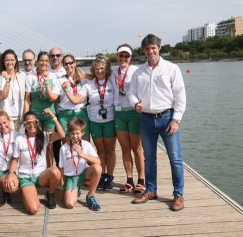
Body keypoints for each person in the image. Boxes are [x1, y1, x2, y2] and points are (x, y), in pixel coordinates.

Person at [129, 34, 186, 211]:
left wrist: (176, 119)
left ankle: (178, 195)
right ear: (144, 51)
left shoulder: (172, 68)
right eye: (147, 49)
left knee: (175, 158)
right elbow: (131, 93)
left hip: (167, 118)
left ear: (159, 47)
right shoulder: (138, 72)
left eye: (153, 48)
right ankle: (151, 190)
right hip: (146, 119)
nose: (150, 51)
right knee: (150, 158)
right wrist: (135, 104)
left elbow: (180, 96)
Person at [62, 56, 117, 191]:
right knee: (100, 151)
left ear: (107, 69)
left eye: (102, 68)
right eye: (97, 69)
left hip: (110, 120)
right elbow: (75, 99)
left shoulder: (112, 81)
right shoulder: (89, 85)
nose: (99, 71)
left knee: (110, 150)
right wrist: (66, 90)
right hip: (95, 121)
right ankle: (101, 175)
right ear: (94, 70)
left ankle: (109, 177)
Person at [9, 109, 65, 214]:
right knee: (33, 209)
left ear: (37, 122)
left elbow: (61, 135)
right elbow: (15, 159)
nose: (31, 125)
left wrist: (52, 116)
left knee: (55, 171)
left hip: (40, 176)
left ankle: (50, 193)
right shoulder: (19, 139)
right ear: (24, 125)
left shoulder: (44, 136)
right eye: (28, 123)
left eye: (34, 122)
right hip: (26, 176)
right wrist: (11, 174)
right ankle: (27, 191)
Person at [111, 44, 145, 194]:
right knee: (125, 148)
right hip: (119, 113)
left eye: (126, 56)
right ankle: (129, 180)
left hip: (133, 112)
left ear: (130, 57)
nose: (123, 58)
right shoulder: (112, 73)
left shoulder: (136, 71)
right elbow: (95, 75)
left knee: (137, 148)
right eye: (121, 55)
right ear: (117, 56)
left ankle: (141, 180)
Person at [24, 51, 61, 167]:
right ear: (37, 62)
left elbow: (52, 98)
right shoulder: (30, 77)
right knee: (36, 143)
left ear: (49, 62)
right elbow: (27, 99)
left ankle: (50, 169)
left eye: (46, 61)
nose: (44, 63)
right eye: (42, 61)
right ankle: (38, 169)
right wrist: (26, 115)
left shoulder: (54, 77)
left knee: (49, 145)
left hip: (49, 116)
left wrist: (46, 83)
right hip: (35, 116)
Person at [59, 118, 101, 211]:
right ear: (69, 133)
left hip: (83, 173)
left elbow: (98, 161)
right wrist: (62, 185)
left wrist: (82, 154)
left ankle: (90, 196)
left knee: (97, 168)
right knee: (69, 204)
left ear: (82, 133)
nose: (75, 136)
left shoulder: (86, 145)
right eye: (72, 133)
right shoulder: (63, 148)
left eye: (77, 133)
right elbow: (61, 167)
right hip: (71, 177)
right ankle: (76, 189)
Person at [0, 49, 27, 132]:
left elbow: (27, 97)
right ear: (3, 61)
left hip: (19, 117)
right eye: (7, 60)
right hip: (3, 117)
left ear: (16, 61)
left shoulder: (23, 76)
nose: (10, 62)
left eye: (12, 60)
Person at [57, 54, 90, 142]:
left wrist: (86, 75)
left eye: (71, 63)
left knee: (85, 143)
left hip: (81, 112)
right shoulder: (60, 80)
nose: (68, 65)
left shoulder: (84, 78)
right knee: (67, 145)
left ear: (75, 63)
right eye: (66, 64)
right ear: (63, 66)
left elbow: (99, 78)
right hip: (65, 114)